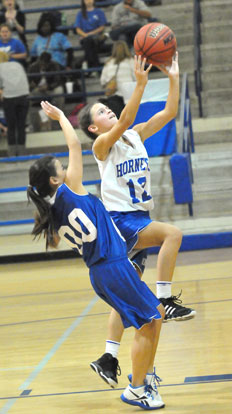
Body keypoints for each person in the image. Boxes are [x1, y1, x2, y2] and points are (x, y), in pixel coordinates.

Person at [26, 59, 166, 409]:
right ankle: (137, 389)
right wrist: (62, 120)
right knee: (152, 319)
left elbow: (73, 150)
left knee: (148, 320)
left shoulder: (54, 209)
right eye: (57, 166)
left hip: (99, 273)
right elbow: (75, 148)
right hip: (114, 264)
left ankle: (141, 376)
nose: (64, 163)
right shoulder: (71, 191)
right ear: (56, 179)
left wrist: (62, 119)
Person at [78, 52, 196, 386]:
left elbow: (170, 112)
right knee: (172, 234)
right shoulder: (101, 146)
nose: (108, 110)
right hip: (119, 222)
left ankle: (109, 356)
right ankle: (165, 299)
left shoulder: (135, 136)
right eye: (101, 111)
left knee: (126, 293)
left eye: (107, 107)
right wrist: (141, 84)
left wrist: (172, 77)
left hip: (136, 218)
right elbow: (126, 118)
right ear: (92, 126)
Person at [0, 50, 29, 155]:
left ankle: (12, 154)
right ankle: (22, 153)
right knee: (21, 125)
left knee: (11, 126)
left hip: (9, 98)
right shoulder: (17, 64)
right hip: (24, 96)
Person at [99, 40, 135, 118]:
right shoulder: (131, 61)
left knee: (118, 120)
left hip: (114, 95)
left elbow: (103, 81)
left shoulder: (108, 62)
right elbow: (137, 78)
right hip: (129, 95)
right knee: (130, 120)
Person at [74, 0, 107, 71]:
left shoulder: (99, 12)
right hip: (85, 37)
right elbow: (78, 29)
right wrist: (85, 35)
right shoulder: (80, 14)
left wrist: (89, 34)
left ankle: (89, 65)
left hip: (97, 37)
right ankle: (96, 66)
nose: (88, 1)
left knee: (89, 42)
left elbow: (102, 27)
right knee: (88, 42)